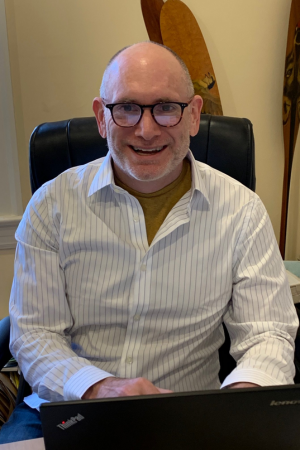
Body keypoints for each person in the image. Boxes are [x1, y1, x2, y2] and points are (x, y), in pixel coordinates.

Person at [0, 41, 298, 443]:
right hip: (69, 408)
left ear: (193, 115)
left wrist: (241, 405)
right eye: (126, 108)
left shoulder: (242, 211)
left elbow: (268, 333)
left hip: (191, 413)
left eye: (165, 107)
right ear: (101, 118)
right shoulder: (51, 207)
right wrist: (100, 387)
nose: (146, 129)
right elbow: (34, 333)